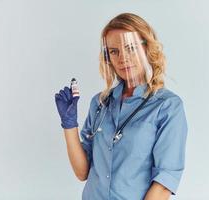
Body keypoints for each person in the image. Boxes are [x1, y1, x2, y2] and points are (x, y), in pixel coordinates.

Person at [55, 13, 188, 200]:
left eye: (130, 48)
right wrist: (69, 125)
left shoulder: (166, 106)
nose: (122, 58)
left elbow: (164, 183)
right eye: (114, 51)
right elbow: (82, 172)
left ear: (147, 48)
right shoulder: (100, 103)